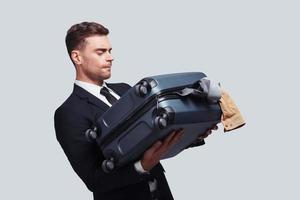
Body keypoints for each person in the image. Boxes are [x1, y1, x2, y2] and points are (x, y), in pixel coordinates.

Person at [54, 21, 216, 200]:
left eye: (110, 51)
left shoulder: (126, 90)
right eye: (100, 52)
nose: (110, 57)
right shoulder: (68, 113)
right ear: (77, 57)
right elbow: (93, 179)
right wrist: (142, 166)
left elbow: (155, 135)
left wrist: (193, 133)